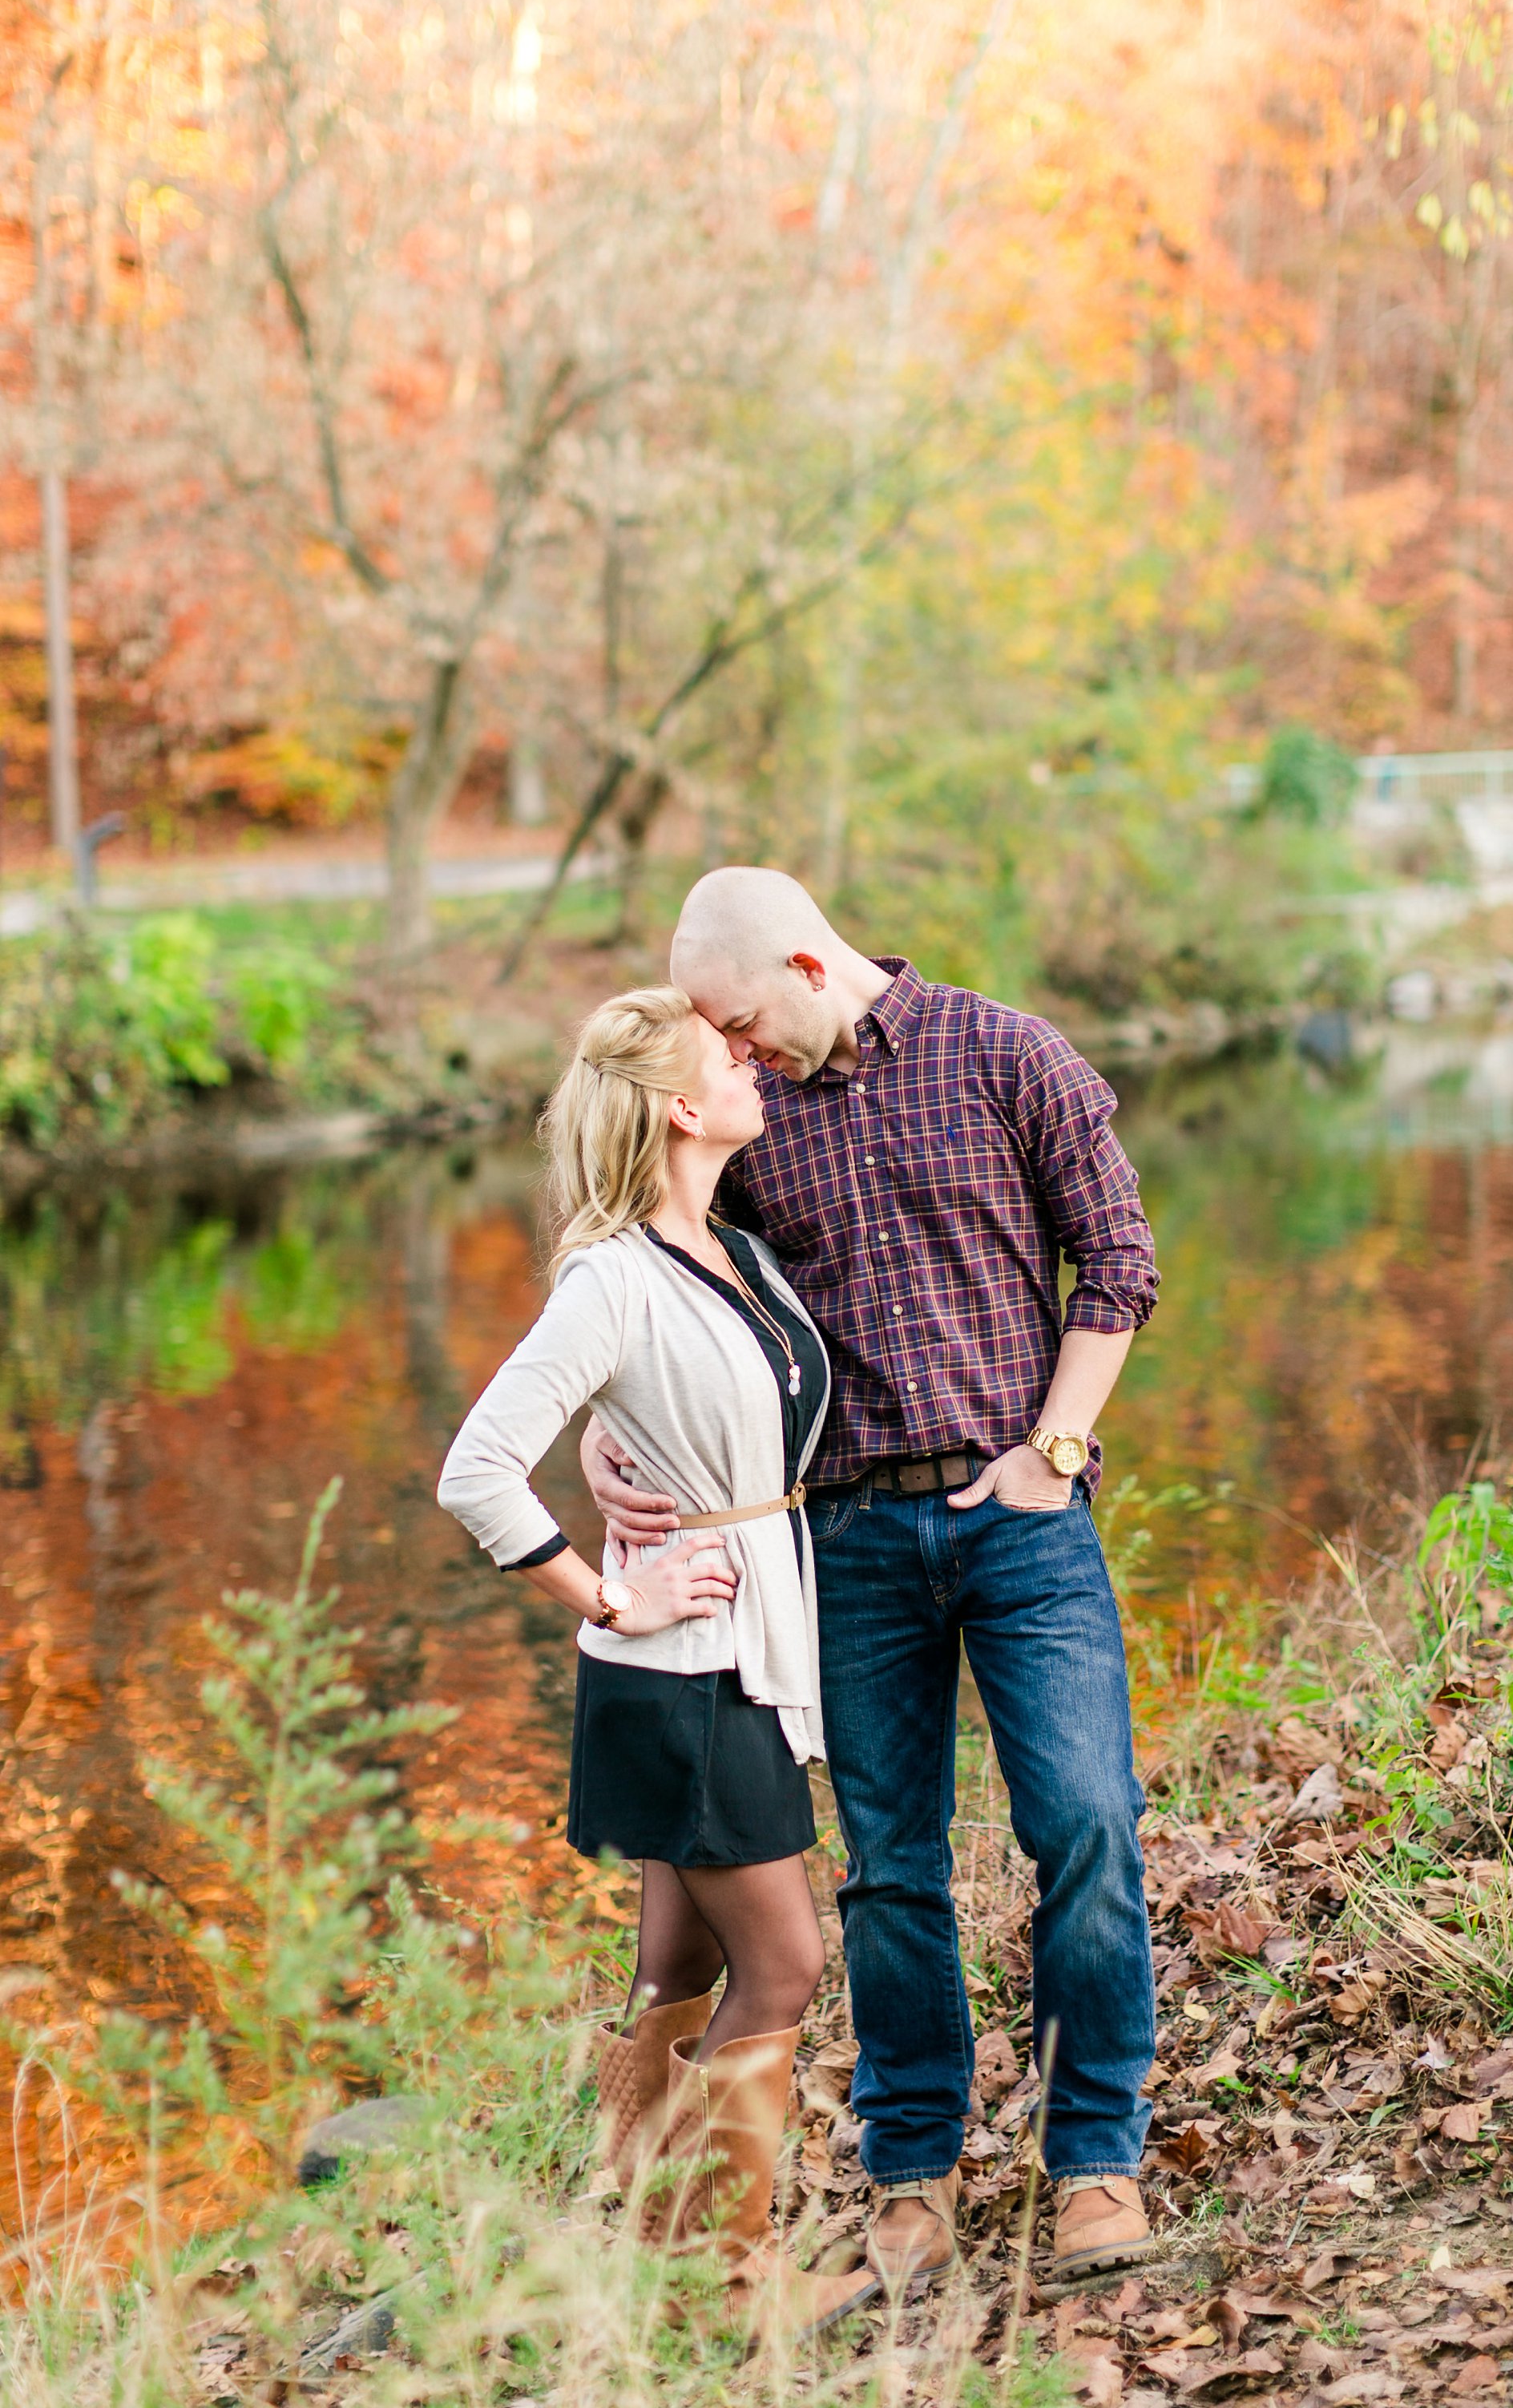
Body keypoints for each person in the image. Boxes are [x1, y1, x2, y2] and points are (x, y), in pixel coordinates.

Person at [583, 870, 1160, 2295]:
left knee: (1087, 1822)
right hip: (840, 1543)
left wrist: (1056, 1445)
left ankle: (1096, 2159)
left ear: (801, 958)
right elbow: (657, 1277)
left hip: (1024, 1519)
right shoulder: (754, 1124)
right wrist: (607, 1440)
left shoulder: (1005, 1052)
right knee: (891, 1869)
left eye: (737, 1019)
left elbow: (1120, 1263)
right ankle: (913, 2170)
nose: (734, 1052)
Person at [436, 984, 878, 2334]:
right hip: (679, 1668)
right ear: (682, 1108)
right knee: (788, 1961)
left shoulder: (738, 1250)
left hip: (741, 1644)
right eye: (728, 1060)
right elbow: (476, 1470)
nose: (754, 1067)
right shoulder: (612, 1272)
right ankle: (734, 2282)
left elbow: (709, 1420)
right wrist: (607, 1594)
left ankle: (641, 2251)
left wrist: (620, 1455)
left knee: (679, 1966)